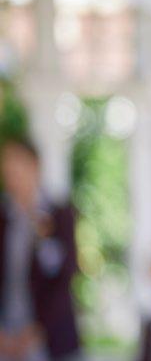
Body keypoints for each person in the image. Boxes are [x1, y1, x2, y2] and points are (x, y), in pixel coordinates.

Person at [0, 137, 81, 361]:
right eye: (6, 164)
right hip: (6, 335)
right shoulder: (4, 217)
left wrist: (37, 331)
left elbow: (65, 275)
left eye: (16, 163)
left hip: (49, 339)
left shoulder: (59, 215)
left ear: (35, 165)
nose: (11, 171)